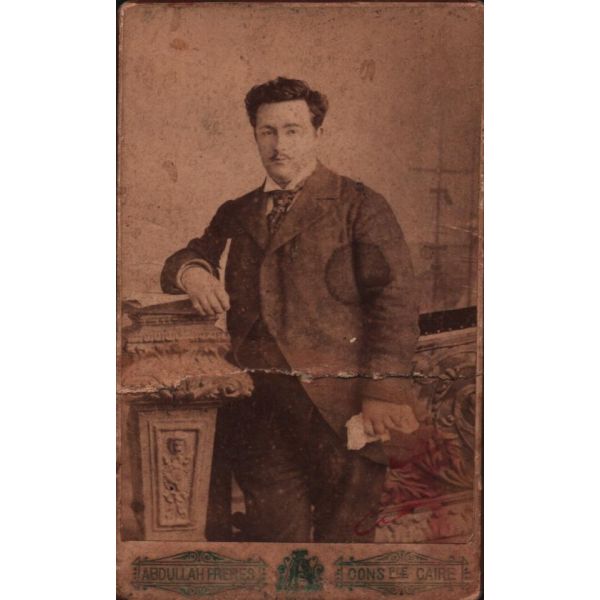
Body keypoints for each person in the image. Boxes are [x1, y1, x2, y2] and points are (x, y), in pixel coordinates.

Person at [161, 76, 421, 542]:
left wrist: (382, 393)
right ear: (255, 135)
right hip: (259, 413)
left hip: (340, 410)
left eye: (292, 131)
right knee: (276, 549)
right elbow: (185, 257)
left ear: (317, 133)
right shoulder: (238, 210)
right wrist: (194, 274)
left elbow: (395, 303)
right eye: (268, 132)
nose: (279, 145)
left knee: (344, 550)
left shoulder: (359, 205)